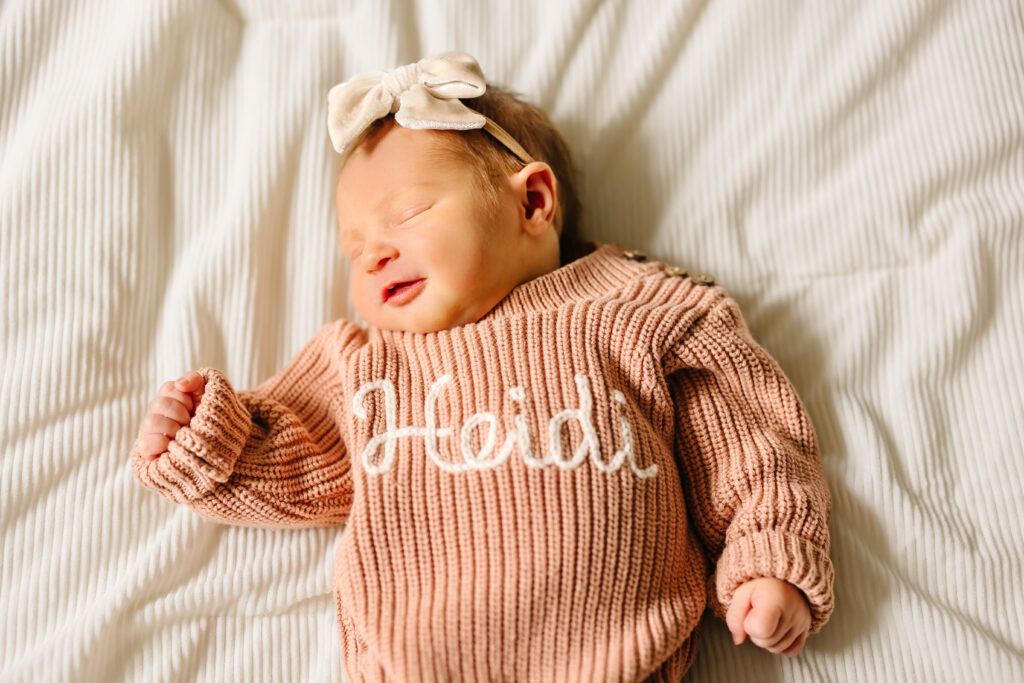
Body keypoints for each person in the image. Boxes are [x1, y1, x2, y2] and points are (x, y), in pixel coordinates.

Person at [131, 52, 834, 681]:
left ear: (532, 201)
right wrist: (205, 436)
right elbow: (292, 453)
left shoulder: (634, 308)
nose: (372, 255)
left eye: (405, 215)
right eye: (355, 248)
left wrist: (769, 557)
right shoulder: (365, 359)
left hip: (623, 655)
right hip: (416, 660)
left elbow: (749, 446)